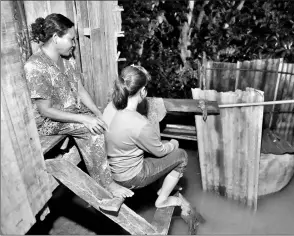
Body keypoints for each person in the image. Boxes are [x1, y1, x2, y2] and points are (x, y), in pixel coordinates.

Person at [24, 13, 133, 198]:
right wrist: (85, 118)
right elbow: (45, 110)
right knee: (92, 128)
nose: (74, 44)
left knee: (104, 118)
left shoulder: (68, 59)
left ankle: (120, 169)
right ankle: (105, 185)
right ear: (56, 38)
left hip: (71, 111)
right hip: (48, 121)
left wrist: (98, 113)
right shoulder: (35, 66)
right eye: (71, 39)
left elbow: (80, 90)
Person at [103, 65, 189, 208]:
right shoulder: (140, 123)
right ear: (143, 91)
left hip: (116, 170)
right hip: (133, 177)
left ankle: (164, 186)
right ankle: (162, 200)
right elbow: (159, 151)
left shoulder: (112, 110)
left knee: (165, 144)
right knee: (181, 155)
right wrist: (174, 143)